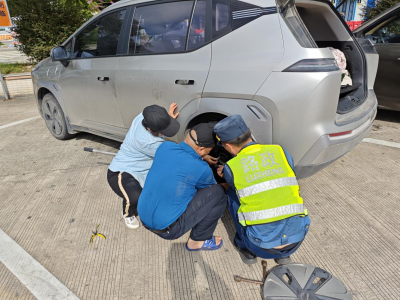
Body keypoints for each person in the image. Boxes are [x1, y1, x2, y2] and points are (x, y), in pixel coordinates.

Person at [214, 115, 311, 265]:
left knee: (234, 195)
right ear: (249, 133)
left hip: (260, 246)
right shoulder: (280, 151)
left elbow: (238, 183)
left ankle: (246, 249)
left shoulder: (232, 167)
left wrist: (226, 171)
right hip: (298, 238)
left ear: (228, 146)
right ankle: (283, 255)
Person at [138, 123, 227, 251]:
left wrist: (201, 156)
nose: (210, 152)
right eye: (210, 150)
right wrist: (229, 180)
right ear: (201, 149)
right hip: (168, 230)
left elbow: (182, 161)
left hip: (143, 216)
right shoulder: (201, 169)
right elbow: (211, 190)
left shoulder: (165, 146)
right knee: (219, 193)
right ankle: (197, 241)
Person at [107, 103, 180, 229]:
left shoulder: (143, 116)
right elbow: (171, 157)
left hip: (144, 168)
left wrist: (165, 120)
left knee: (154, 195)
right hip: (123, 171)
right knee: (136, 198)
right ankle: (127, 214)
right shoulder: (149, 143)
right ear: (150, 129)